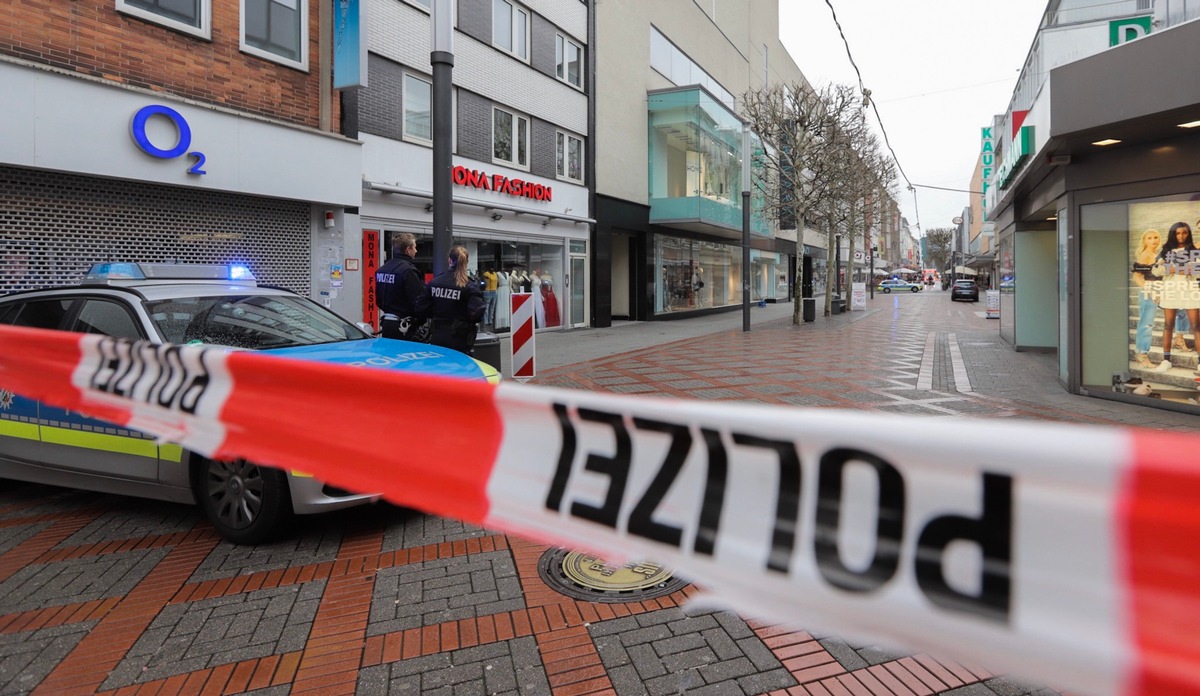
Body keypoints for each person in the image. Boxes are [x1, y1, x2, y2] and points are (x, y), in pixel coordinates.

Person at [1151, 221, 1200, 373]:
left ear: (1188, 233)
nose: (1181, 236)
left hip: (1189, 289)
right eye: (1178, 233)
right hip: (1170, 289)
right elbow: (1155, 271)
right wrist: (1182, 268)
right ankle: (1166, 360)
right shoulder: (1165, 251)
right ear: (1173, 234)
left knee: (1196, 326)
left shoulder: (1194, 249)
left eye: (1184, 233)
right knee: (1168, 325)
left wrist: (1172, 268)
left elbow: (1196, 270)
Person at [426, 245, 485, 354]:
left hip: (437, 335)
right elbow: (477, 313)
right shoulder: (470, 285)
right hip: (460, 338)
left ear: (449, 260)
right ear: (466, 262)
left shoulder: (436, 282)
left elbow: (422, 307)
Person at [375, 233, 430, 340]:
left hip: (387, 324)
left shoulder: (382, 270)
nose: (416, 251)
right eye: (415, 247)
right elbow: (419, 301)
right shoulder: (408, 271)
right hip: (405, 327)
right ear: (408, 249)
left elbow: (379, 300)